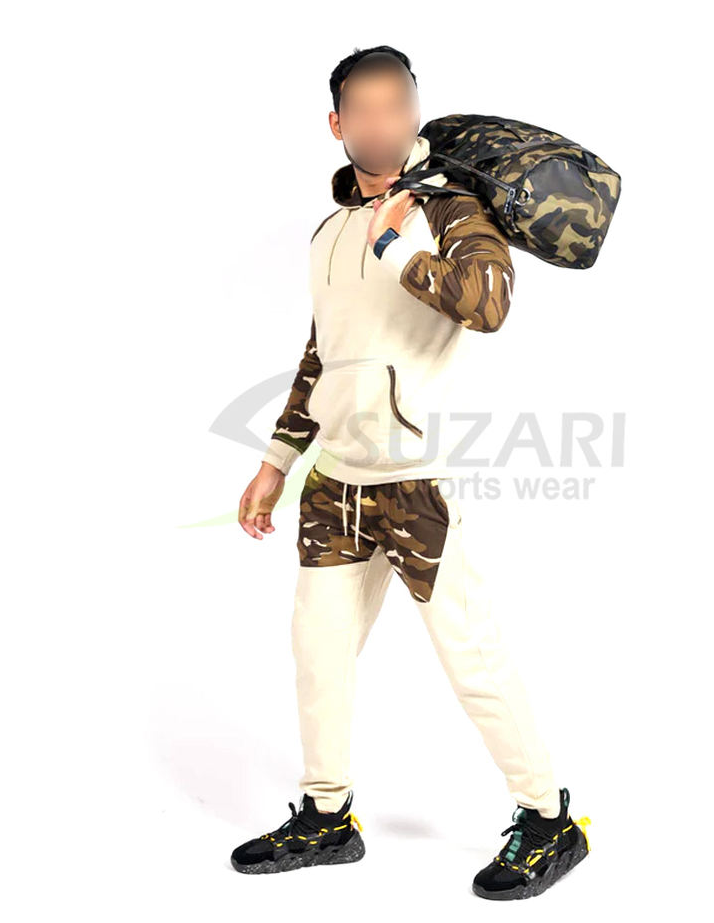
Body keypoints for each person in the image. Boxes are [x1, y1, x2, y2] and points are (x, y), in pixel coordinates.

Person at [230, 46, 590, 900]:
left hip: (416, 479)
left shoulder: (450, 208)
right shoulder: (328, 233)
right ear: (338, 123)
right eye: (365, 109)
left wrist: (399, 250)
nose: (382, 122)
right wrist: (277, 461)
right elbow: (322, 351)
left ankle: (549, 820)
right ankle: (327, 815)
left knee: (471, 655)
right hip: (334, 483)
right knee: (318, 653)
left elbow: (489, 303)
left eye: (398, 106)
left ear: (413, 114)